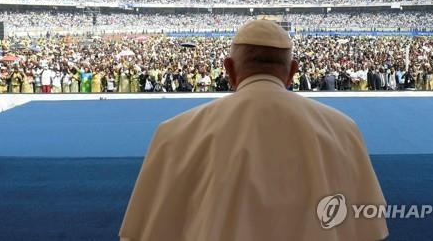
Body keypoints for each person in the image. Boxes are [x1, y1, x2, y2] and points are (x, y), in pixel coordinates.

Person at [120, 20, 388, 241]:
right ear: (292, 71)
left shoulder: (175, 133)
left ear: (229, 69)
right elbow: (369, 227)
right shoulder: (343, 130)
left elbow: (144, 232)